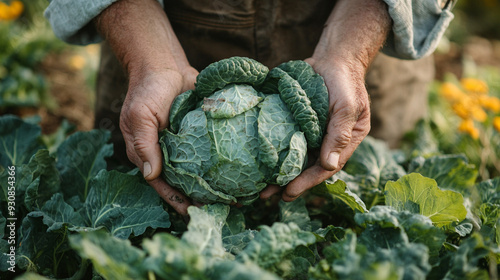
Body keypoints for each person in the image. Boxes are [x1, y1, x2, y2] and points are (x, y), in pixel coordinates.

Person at [44, 0, 455, 216]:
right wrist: (151, 59)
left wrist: (348, 54)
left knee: (377, 196)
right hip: (158, 42)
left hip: (365, 42)